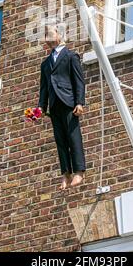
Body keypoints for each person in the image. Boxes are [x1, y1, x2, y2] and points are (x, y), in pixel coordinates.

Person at [37, 23, 86, 190]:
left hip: (68, 102)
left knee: (73, 137)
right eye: (46, 37)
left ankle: (79, 171)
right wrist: (41, 108)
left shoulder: (71, 56)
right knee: (60, 140)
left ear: (60, 34)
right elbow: (43, 88)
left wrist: (79, 102)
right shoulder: (45, 64)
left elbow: (78, 81)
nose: (47, 40)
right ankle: (66, 173)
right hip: (54, 106)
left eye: (50, 35)